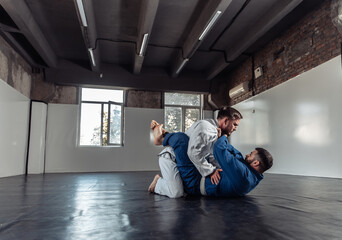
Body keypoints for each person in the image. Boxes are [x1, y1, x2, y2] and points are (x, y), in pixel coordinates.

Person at [149, 124, 273, 197]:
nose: (247, 155)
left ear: (256, 163)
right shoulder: (251, 175)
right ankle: (166, 134)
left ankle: (162, 139)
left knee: (182, 141)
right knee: (191, 146)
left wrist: (223, 136)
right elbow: (237, 154)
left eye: (251, 155)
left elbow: (219, 149)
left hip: (195, 183)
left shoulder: (244, 176)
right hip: (200, 176)